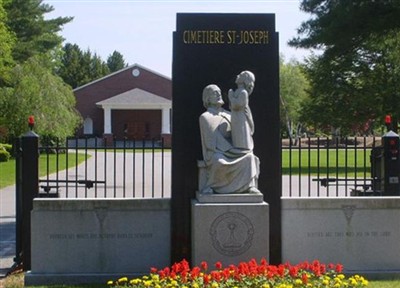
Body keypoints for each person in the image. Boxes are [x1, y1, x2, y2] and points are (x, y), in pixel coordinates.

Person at [199, 84, 259, 194]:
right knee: (219, 161)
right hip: (218, 151)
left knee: (250, 157)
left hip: (234, 150)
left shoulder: (229, 114)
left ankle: (249, 186)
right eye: (214, 93)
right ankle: (212, 186)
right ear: (207, 98)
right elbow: (211, 141)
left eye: (219, 92)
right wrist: (231, 150)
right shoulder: (205, 117)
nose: (218, 94)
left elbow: (241, 132)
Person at [228, 70, 256, 151]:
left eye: (240, 75)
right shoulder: (237, 91)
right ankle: (238, 147)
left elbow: (237, 105)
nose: (237, 75)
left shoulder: (243, 92)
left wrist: (231, 96)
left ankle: (243, 148)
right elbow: (232, 107)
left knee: (241, 134)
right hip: (236, 117)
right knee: (237, 135)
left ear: (244, 80)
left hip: (241, 118)